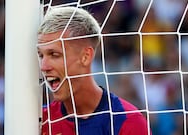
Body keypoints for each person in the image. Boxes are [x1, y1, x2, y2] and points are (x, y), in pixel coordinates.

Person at [38, 6, 150, 135]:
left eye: (54, 55)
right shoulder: (41, 121)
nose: (44, 66)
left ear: (85, 57)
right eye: (41, 55)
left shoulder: (128, 122)